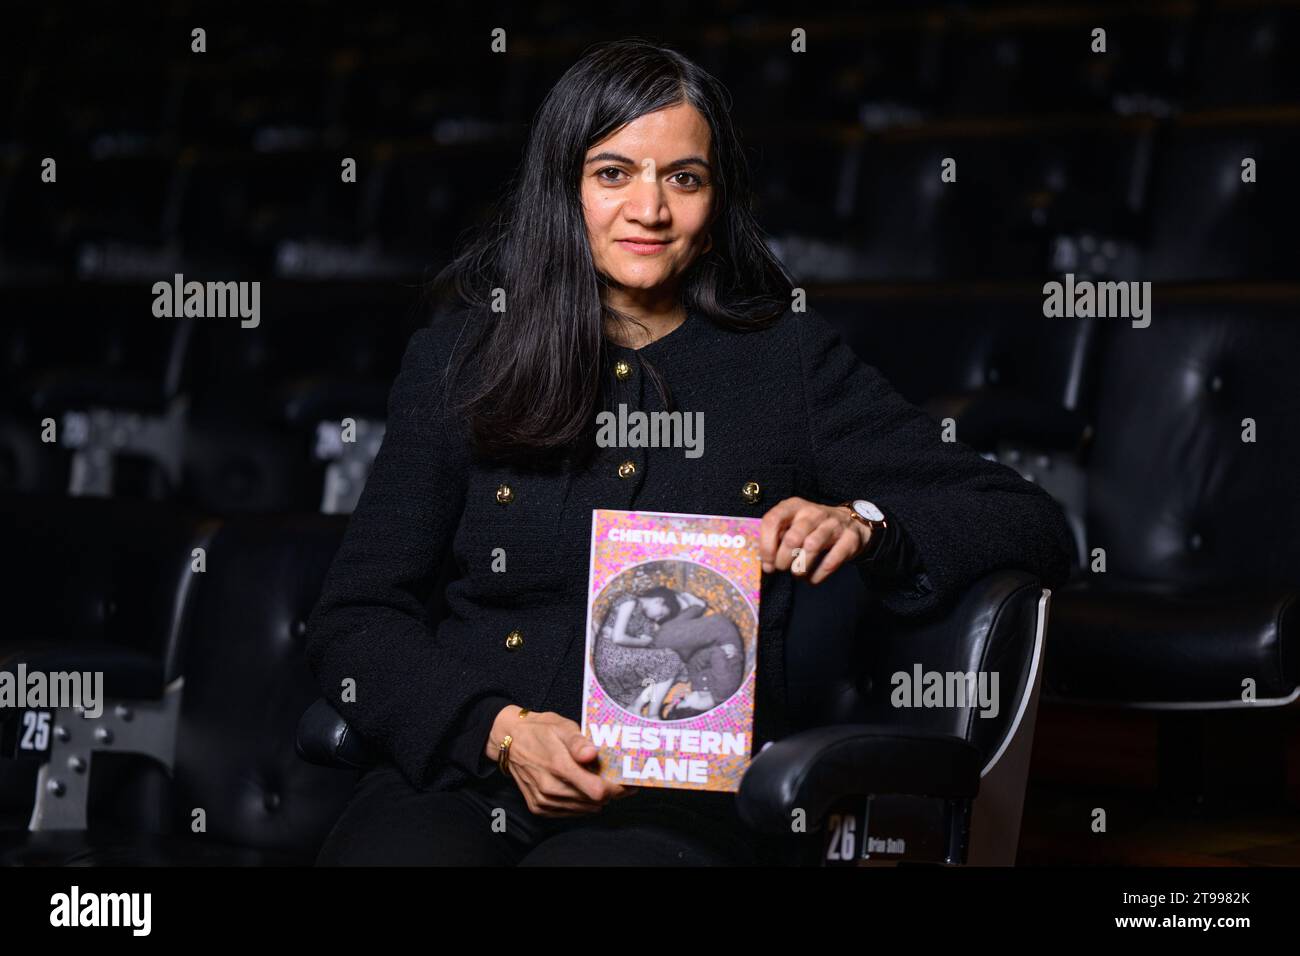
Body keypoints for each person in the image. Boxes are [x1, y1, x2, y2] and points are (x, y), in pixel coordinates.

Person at [306, 38, 1076, 866]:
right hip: (464, 768)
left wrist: (864, 523)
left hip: (681, 805)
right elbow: (357, 615)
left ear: (714, 207)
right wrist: (498, 733)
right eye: (613, 173)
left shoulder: (788, 363)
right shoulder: (459, 359)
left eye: (683, 178)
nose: (650, 209)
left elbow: (1030, 522)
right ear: (562, 192)